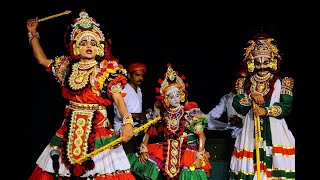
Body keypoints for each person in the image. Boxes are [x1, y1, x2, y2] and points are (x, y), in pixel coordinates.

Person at [27, 10, 136, 179]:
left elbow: (118, 100)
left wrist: (127, 122)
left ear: (99, 47)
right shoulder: (67, 67)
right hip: (69, 129)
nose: (89, 45)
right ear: (76, 46)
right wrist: (32, 34)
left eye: (93, 42)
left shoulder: (107, 70)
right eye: (84, 42)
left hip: (98, 129)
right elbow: (42, 60)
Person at [127, 64, 212, 180]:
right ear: (166, 100)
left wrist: (199, 155)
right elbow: (149, 132)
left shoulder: (190, 114)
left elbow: (201, 136)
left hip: (187, 151)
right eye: (172, 97)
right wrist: (143, 149)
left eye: (177, 95)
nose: (176, 99)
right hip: (166, 150)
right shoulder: (162, 116)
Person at [229, 33, 295, 179]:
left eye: (265, 60)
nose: (262, 65)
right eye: (258, 61)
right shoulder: (244, 83)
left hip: (276, 131)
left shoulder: (283, 82)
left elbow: (286, 107)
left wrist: (265, 110)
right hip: (250, 130)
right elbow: (238, 105)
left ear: (272, 60)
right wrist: (251, 96)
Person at [113, 62, 147, 153]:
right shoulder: (123, 90)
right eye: (137, 75)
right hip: (123, 128)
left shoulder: (139, 90)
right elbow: (119, 115)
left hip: (136, 127)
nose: (141, 78)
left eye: (142, 76)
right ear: (129, 75)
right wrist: (138, 116)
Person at [205, 70, 247, 138]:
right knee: (209, 122)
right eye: (235, 80)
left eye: (240, 80)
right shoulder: (227, 97)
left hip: (247, 128)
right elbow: (215, 112)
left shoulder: (250, 97)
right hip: (231, 128)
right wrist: (201, 118)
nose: (236, 83)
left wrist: (242, 120)